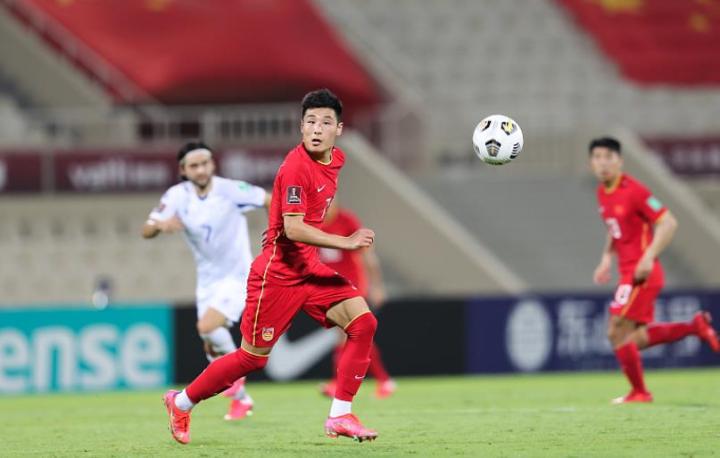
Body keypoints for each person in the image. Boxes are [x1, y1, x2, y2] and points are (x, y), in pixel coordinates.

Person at [162, 89, 379, 444]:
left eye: (325, 122)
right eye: (310, 121)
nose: (317, 128)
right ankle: (181, 402)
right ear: (301, 127)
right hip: (278, 275)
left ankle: (340, 415)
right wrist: (345, 241)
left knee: (364, 323)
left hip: (309, 268)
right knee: (252, 358)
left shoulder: (336, 159)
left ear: (338, 129)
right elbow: (292, 228)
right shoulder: (296, 168)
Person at [142, 141, 270, 420]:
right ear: (183, 170)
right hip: (207, 281)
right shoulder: (177, 196)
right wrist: (159, 225)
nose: (201, 170)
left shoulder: (230, 189)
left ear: (212, 164)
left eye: (205, 163)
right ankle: (242, 400)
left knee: (208, 326)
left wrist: (278, 236)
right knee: (211, 343)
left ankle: (238, 377)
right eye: (194, 166)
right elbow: (146, 230)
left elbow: (269, 199)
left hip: (238, 275)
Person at [589, 136, 720, 404]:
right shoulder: (603, 192)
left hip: (642, 274)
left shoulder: (634, 191)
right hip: (628, 273)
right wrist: (606, 258)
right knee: (634, 338)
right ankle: (694, 327)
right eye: (597, 157)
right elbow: (615, 228)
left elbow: (669, 222)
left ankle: (640, 393)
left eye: (608, 157)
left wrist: (648, 257)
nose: (602, 163)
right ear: (591, 162)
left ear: (620, 161)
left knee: (616, 330)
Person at [317, 200, 396, 399]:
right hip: (330, 286)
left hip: (352, 283)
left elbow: (368, 255)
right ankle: (383, 380)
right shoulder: (312, 222)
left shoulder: (347, 220)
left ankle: (346, 382)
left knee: (347, 333)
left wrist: (376, 285)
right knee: (350, 334)